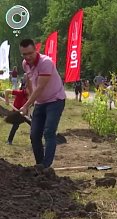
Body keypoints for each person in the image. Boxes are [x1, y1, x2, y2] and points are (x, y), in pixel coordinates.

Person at [19, 38, 66, 168]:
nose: (27, 57)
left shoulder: (46, 63)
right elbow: (29, 80)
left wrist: (26, 105)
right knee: (34, 135)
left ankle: (46, 166)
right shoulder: (25, 63)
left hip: (55, 100)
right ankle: (39, 164)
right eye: (24, 54)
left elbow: (40, 87)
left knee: (49, 132)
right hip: (40, 102)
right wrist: (29, 99)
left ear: (36, 50)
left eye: (30, 53)